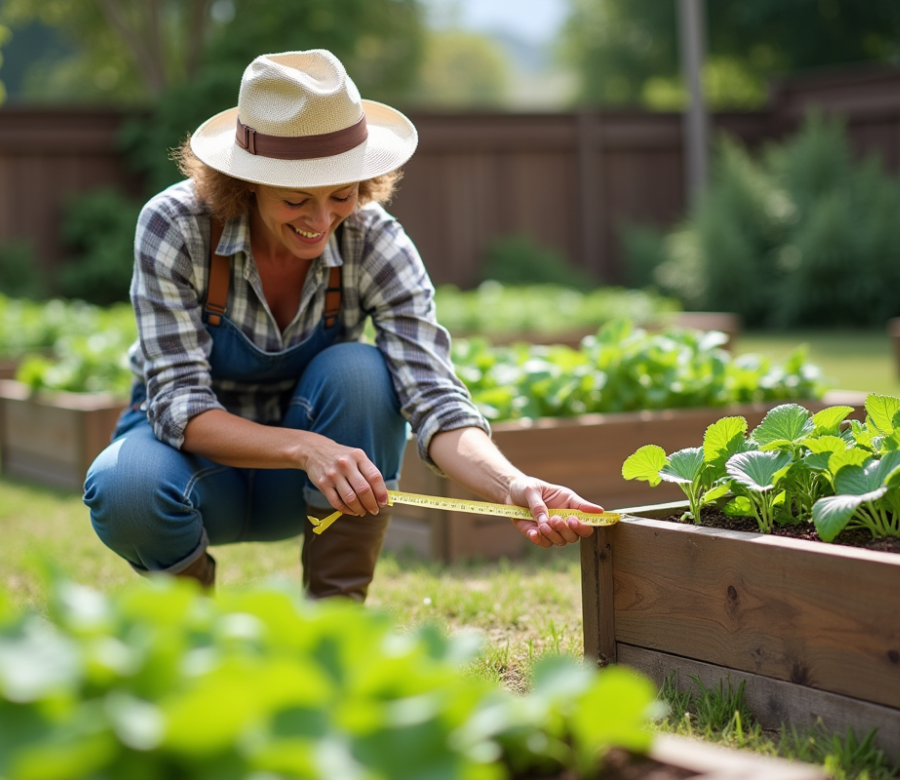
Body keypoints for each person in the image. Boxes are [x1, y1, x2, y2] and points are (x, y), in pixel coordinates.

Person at [84, 49, 604, 602]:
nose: (322, 221)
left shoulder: (374, 238)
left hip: (317, 487)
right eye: (295, 200)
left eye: (341, 194)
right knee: (125, 488)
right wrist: (305, 447)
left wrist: (512, 485)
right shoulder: (176, 226)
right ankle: (197, 637)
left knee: (361, 371)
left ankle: (334, 628)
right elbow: (178, 405)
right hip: (197, 470)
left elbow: (433, 397)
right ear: (245, 183)